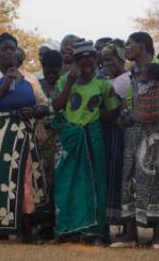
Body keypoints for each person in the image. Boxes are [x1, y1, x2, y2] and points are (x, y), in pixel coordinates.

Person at [0, 33, 49, 244]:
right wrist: (4, 86)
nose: (10, 53)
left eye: (13, 49)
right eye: (5, 49)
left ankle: (26, 230)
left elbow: (45, 104)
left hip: (23, 136)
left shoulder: (29, 78)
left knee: (24, 182)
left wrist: (34, 111)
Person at [51, 40, 120, 246]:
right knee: (67, 182)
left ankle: (94, 233)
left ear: (96, 60)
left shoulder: (103, 84)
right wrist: (71, 83)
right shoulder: (64, 81)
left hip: (93, 136)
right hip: (69, 138)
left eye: (90, 58)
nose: (86, 63)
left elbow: (113, 110)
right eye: (81, 60)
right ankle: (66, 230)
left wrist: (96, 114)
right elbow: (56, 105)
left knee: (94, 183)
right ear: (74, 62)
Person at [117, 31, 159, 245]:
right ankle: (129, 234)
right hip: (134, 132)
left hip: (155, 133)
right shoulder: (132, 71)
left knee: (156, 178)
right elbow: (129, 101)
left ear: (142, 46)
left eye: (130, 44)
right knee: (130, 179)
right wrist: (125, 117)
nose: (125, 48)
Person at [111, 63, 159, 249]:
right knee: (129, 181)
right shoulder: (134, 82)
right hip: (133, 136)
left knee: (156, 182)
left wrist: (135, 117)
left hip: (153, 137)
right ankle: (130, 235)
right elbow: (128, 106)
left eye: (142, 73)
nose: (138, 75)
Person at [98, 42, 129, 230]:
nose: (106, 64)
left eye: (110, 59)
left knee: (120, 175)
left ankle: (124, 224)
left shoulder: (126, 79)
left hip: (120, 131)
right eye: (103, 61)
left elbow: (115, 106)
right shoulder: (105, 79)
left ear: (120, 59)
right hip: (107, 132)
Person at [34, 49, 63, 241]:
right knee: (41, 181)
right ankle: (43, 224)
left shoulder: (65, 85)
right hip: (40, 139)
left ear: (61, 68)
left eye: (55, 70)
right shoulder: (37, 85)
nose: (51, 74)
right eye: (47, 70)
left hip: (61, 139)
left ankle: (56, 223)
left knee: (57, 182)